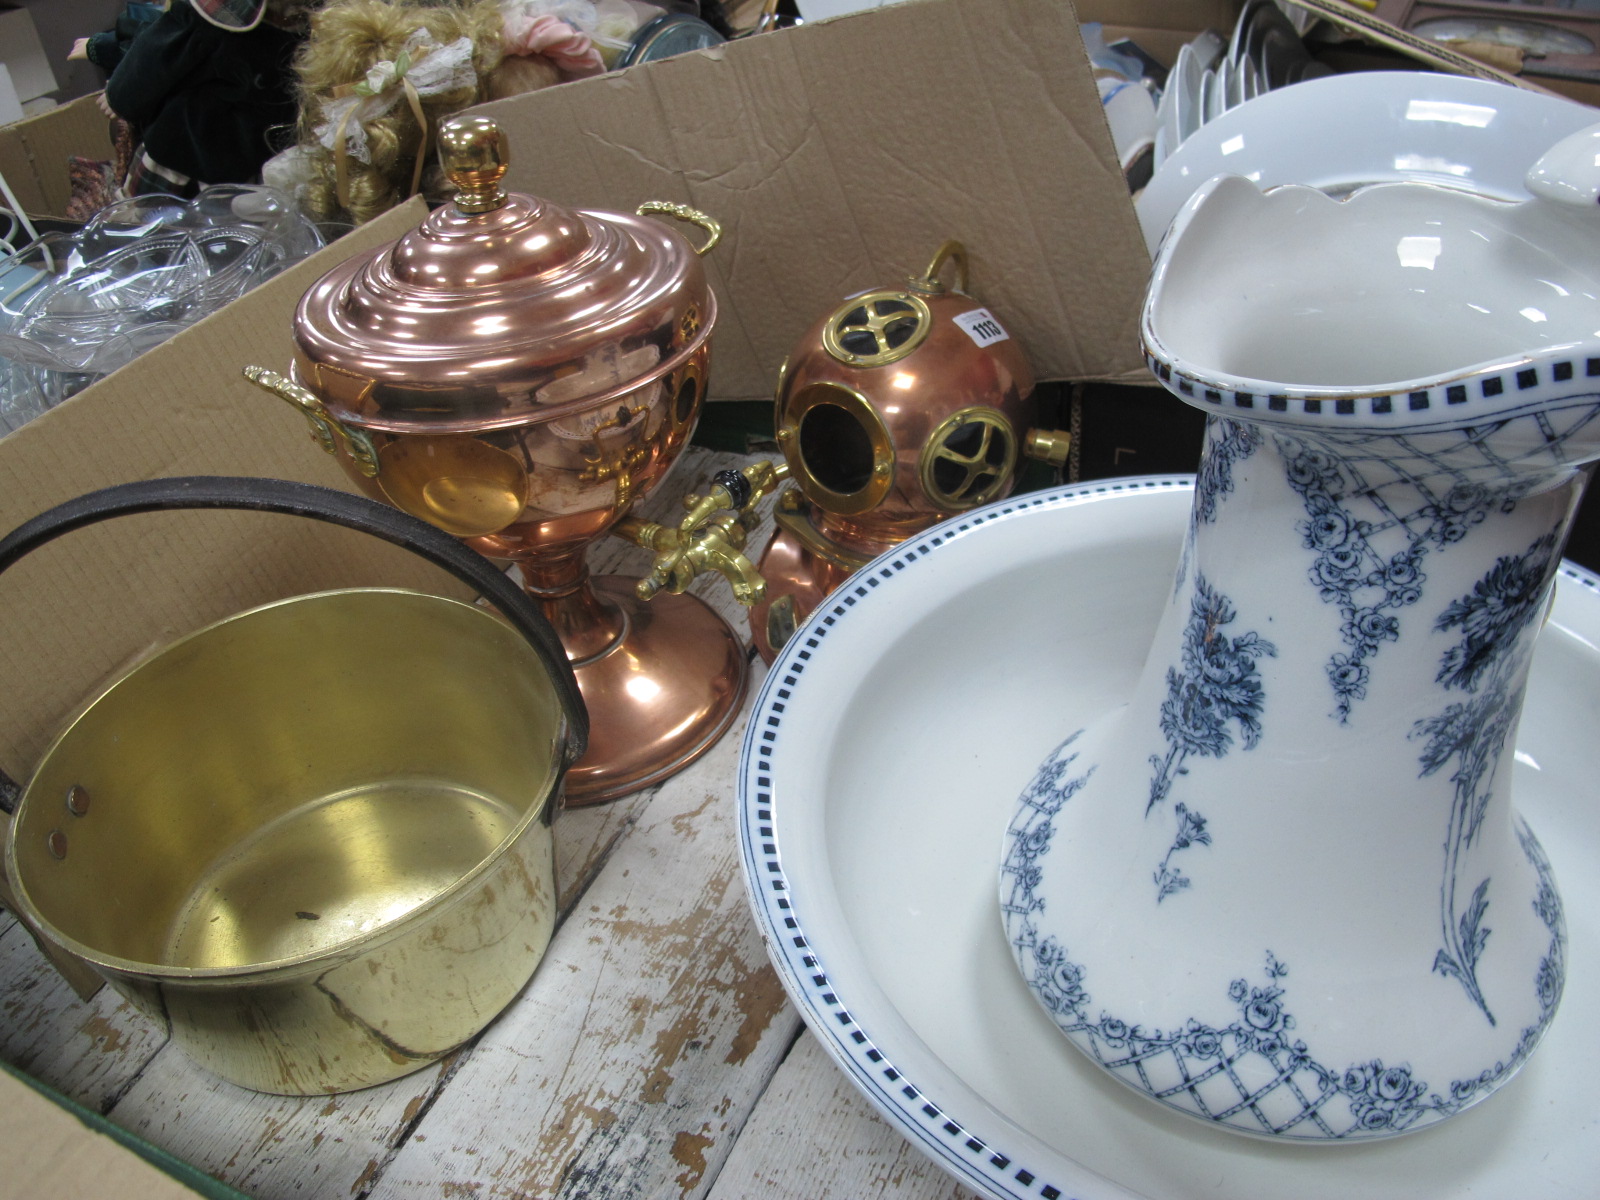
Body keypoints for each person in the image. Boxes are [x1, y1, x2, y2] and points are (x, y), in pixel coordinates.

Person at [98, 0, 317, 197]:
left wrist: (119, 98)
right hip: (239, 161)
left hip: (192, 154)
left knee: (147, 227)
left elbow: (147, 66)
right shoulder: (317, 20)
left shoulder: (208, 19)